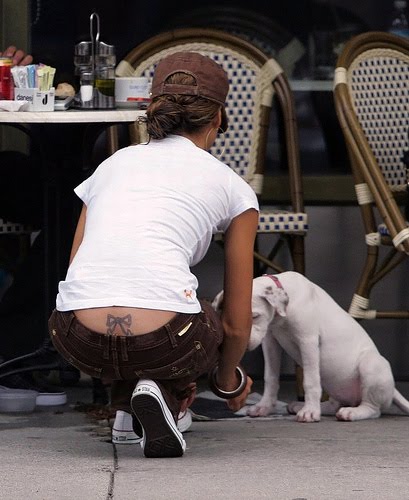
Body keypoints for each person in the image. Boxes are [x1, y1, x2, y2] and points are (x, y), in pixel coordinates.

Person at [48, 51, 258, 458]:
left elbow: (76, 270)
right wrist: (226, 381)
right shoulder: (235, 188)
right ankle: (165, 395)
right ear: (218, 119)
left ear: (153, 109)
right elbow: (236, 325)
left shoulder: (112, 165)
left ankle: (128, 412)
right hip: (164, 341)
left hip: (75, 336)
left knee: (138, 309)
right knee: (201, 315)